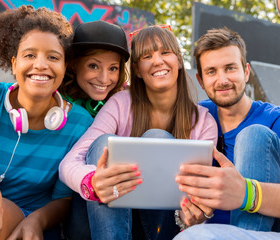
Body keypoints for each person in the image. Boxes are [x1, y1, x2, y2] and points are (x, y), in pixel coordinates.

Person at [59, 25, 218, 239]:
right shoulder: (120, 103)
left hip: (162, 228)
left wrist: (194, 211)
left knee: (157, 139)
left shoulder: (203, 121)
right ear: (136, 70)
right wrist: (93, 183)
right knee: (104, 143)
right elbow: (68, 164)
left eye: (165, 52)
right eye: (147, 56)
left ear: (179, 61)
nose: (157, 61)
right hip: (101, 224)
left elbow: (203, 193)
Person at [0, 5, 93, 240]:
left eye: (53, 57)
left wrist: (36, 221)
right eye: (30, 55)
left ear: (64, 66)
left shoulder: (79, 124)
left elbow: (63, 199)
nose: (41, 64)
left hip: (21, 214)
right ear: (14, 63)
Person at [173, 27, 280, 239]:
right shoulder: (196, 119)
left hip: (262, 234)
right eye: (211, 71)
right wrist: (186, 216)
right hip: (209, 233)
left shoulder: (274, 119)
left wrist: (247, 193)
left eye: (230, 68)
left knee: (253, 136)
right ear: (201, 80)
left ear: (246, 71)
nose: (222, 80)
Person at [58, 20, 130, 240]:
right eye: (93, 66)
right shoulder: (55, 104)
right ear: (72, 64)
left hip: (107, 211)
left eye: (113, 69)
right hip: (62, 211)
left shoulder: (121, 105)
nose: (104, 78)